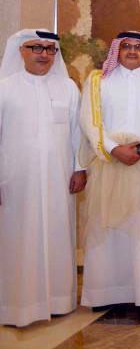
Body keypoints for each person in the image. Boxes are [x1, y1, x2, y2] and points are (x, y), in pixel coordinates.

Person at [79, 31, 140, 309]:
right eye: (126, 47)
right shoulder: (97, 80)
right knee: (108, 227)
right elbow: (89, 121)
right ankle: (107, 294)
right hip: (109, 165)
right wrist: (114, 149)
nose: (132, 51)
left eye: (138, 47)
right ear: (116, 51)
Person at [0, 29, 86, 327]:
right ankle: (17, 306)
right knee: (18, 239)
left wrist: (80, 168)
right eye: (36, 47)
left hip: (59, 180)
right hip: (15, 181)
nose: (44, 54)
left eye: (50, 49)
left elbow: (78, 133)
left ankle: (58, 301)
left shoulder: (68, 88)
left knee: (58, 234)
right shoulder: (5, 88)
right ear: (21, 51)